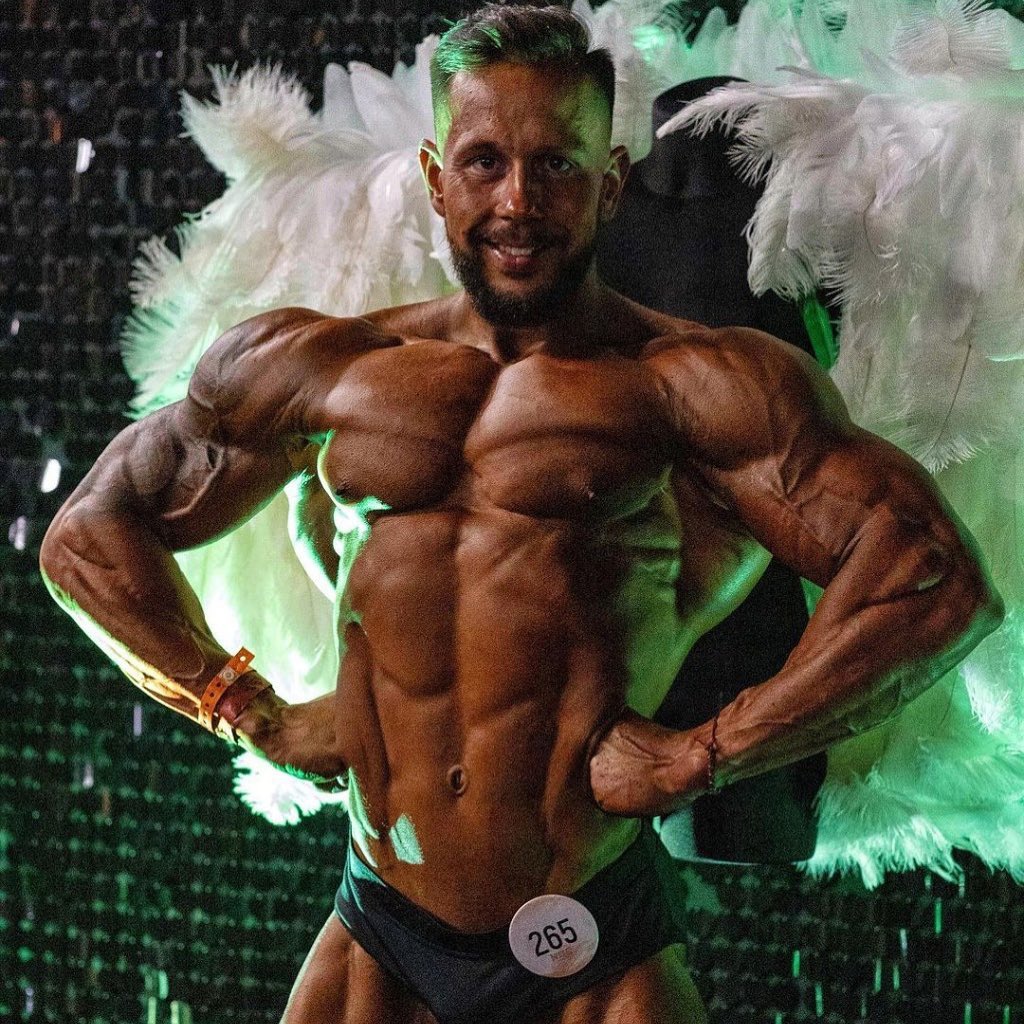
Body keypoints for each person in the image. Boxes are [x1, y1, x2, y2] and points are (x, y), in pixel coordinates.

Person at [39, 6, 1002, 1023]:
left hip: (595, 942)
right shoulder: (322, 370)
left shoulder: (692, 388)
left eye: (555, 166)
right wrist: (242, 705)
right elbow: (89, 541)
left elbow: (931, 579)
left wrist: (705, 751)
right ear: (435, 177)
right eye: (484, 162)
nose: (517, 201)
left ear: (611, 184)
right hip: (379, 933)